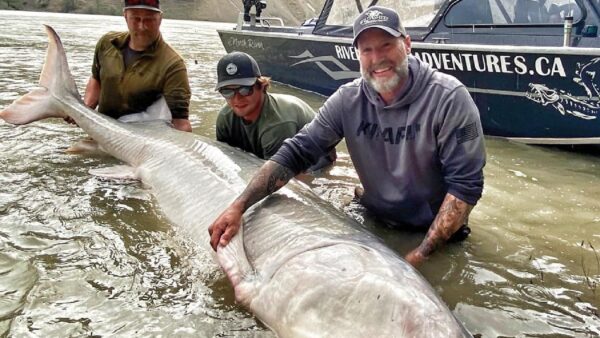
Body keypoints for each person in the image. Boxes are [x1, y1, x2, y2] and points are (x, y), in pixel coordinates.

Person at [209, 6, 486, 267]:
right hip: (373, 219)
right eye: (367, 50)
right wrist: (239, 206)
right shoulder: (347, 100)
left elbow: (465, 186)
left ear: (408, 44)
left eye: (386, 45)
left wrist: (419, 256)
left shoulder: (450, 98)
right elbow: (296, 152)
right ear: (357, 54)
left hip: (437, 236)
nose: (377, 58)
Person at [82, 0, 192, 132]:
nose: (142, 26)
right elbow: (96, 78)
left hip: (141, 143)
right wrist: (85, 109)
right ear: (125, 16)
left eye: (149, 20)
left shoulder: (173, 65)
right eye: (136, 19)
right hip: (100, 133)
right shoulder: (107, 44)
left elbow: (180, 123)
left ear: (160, 19)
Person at [215, 51, 335, 169]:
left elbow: (279, 176)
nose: (237, 98)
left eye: (244, 90)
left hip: (316, 160)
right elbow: (226, 160)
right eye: (227, 92)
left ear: (262, 86)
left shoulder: (278, 123)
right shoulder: (225, 118)